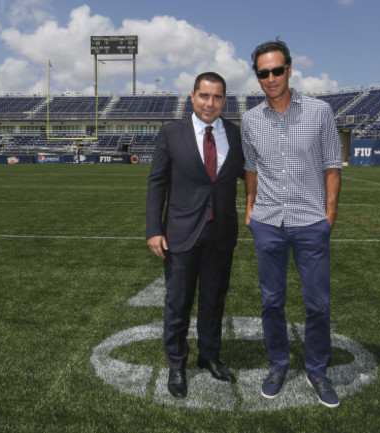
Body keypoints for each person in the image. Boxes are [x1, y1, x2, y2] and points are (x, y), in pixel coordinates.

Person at [241, 39, 343, 408]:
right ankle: (278, 365)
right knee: (272, 301)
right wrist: (250, 210)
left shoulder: (320, 112)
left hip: (310, 221)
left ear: (289, 69)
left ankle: (317, 369)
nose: (270, 78)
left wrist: (328, 216)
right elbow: (251, 169)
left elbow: (332, 165)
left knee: (317, 303)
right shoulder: (250, 120)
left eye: (276, 70)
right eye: (263, 72)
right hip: (267, 221)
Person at [146, 72, 244, 399]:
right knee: (178, 303)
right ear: (193, 96)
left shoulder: (236, 134)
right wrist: (153, 229)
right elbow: (157, 183)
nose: (210, 103)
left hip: (221, 234)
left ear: (224, 101)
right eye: (204, 96)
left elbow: (251, 177)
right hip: (180, 234)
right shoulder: (171, 134)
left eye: (217, 97)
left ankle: (209, 356)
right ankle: (177, 365)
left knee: (214, 301)